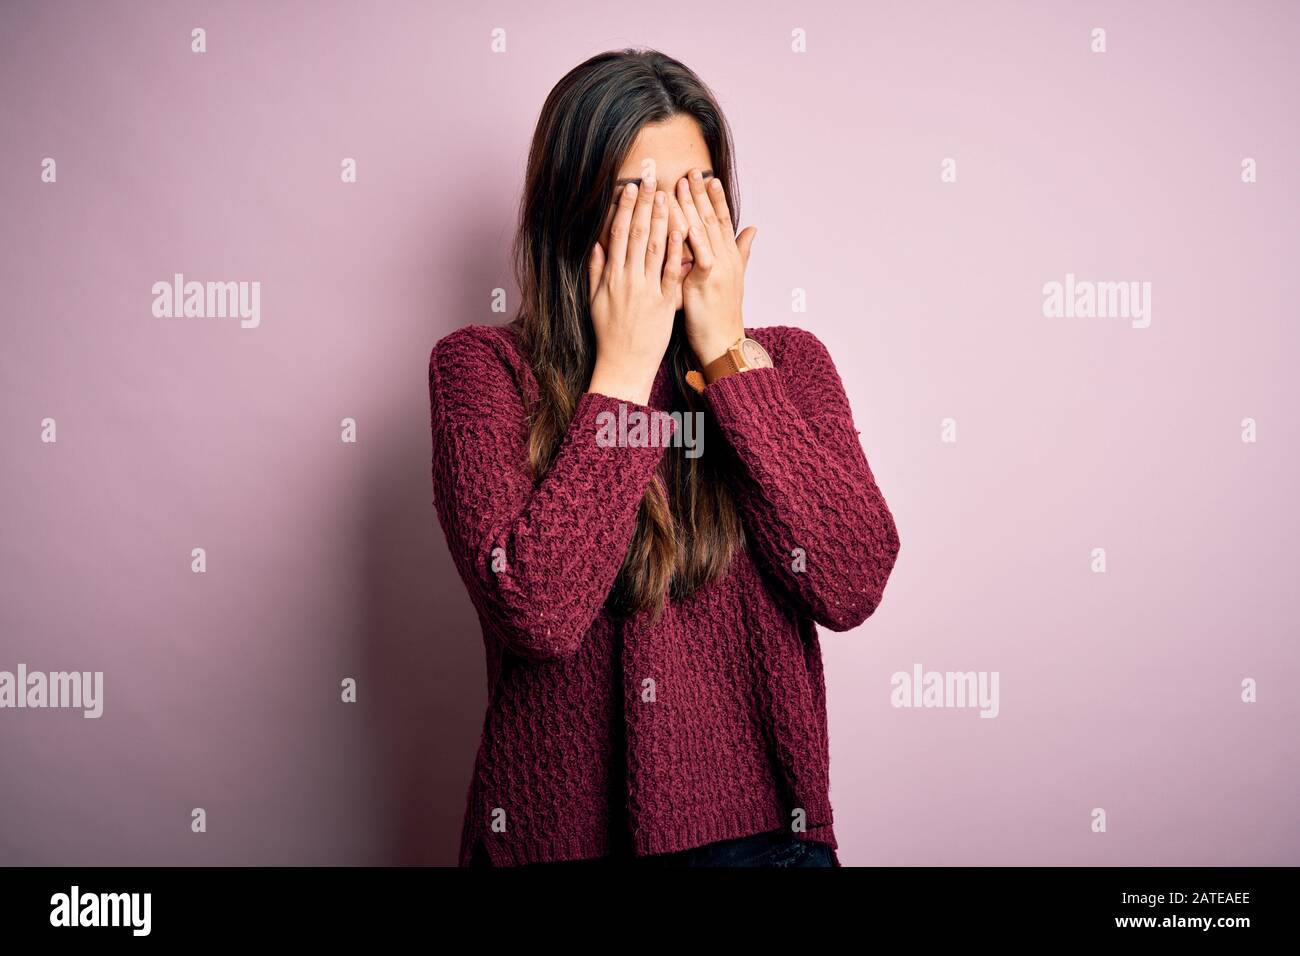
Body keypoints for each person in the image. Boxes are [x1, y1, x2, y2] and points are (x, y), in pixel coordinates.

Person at [429, 48, 901, 868]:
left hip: (763, 847)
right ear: (570, 210)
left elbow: (853, 579)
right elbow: (537, 613)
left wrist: (726, 357)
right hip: (551, 844)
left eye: (694, 192)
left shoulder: (788, 365)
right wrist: (621, 371)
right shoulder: (482, 371)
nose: (672, 225)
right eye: (634, 197)